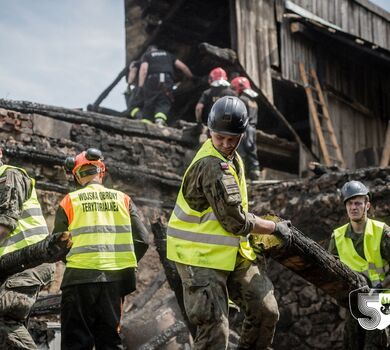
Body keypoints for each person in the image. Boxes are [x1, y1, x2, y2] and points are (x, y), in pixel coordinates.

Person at [167, 96, 292, 350]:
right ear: (209, 132)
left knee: (266, 311)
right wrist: (273, 227)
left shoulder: (235, 159)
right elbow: (235, 221)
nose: (224, 144)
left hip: (229, 251)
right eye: (219, 137)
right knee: (215, 332)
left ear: (242, 135)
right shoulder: (211, 165)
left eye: (231, 139)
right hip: (197, 256)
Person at [54, 148, 149, 350]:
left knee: (75, 343)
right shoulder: (123, 199)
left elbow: (58, 245)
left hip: (79, 280)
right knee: (110, 343)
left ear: (77, 176)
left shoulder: (70, 201)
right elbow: (142, 239)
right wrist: (122, 263)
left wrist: (76, 260)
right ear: (101, 171)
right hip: (113, 283)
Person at [0, 147, 56, 349]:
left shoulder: (9, 175)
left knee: (4, 316)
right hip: (11, 268)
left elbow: (5, 224)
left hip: (29, 263)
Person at [328, 180, 390, 350]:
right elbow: (331, 274)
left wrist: (378, 292)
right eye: (349, 203)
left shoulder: (382, 231)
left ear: (367, 205)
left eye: (358, 203)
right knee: (352, 344)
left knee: (376, 344)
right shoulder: (337, 237)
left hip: (382, 296)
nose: (353, 207)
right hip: (353, 300)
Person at [138, 45, 193, 126]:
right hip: (166, 80)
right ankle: (159, 121)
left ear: (149, 51)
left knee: (150, 101)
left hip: (152, 80)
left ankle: (146, 123)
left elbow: (144, 70)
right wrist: (191, 77)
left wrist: (140, 86)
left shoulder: (147, 55)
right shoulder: (168, 54)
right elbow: (183, 67)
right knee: (163, 101)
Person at [231, 76, 261, 181]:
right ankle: (255, 175)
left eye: (234, 88)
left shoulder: (242, 99)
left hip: (243, 128)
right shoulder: (254, 102)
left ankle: (241, 176)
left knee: (241, 153)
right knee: (252, 152)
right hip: (252, 129)